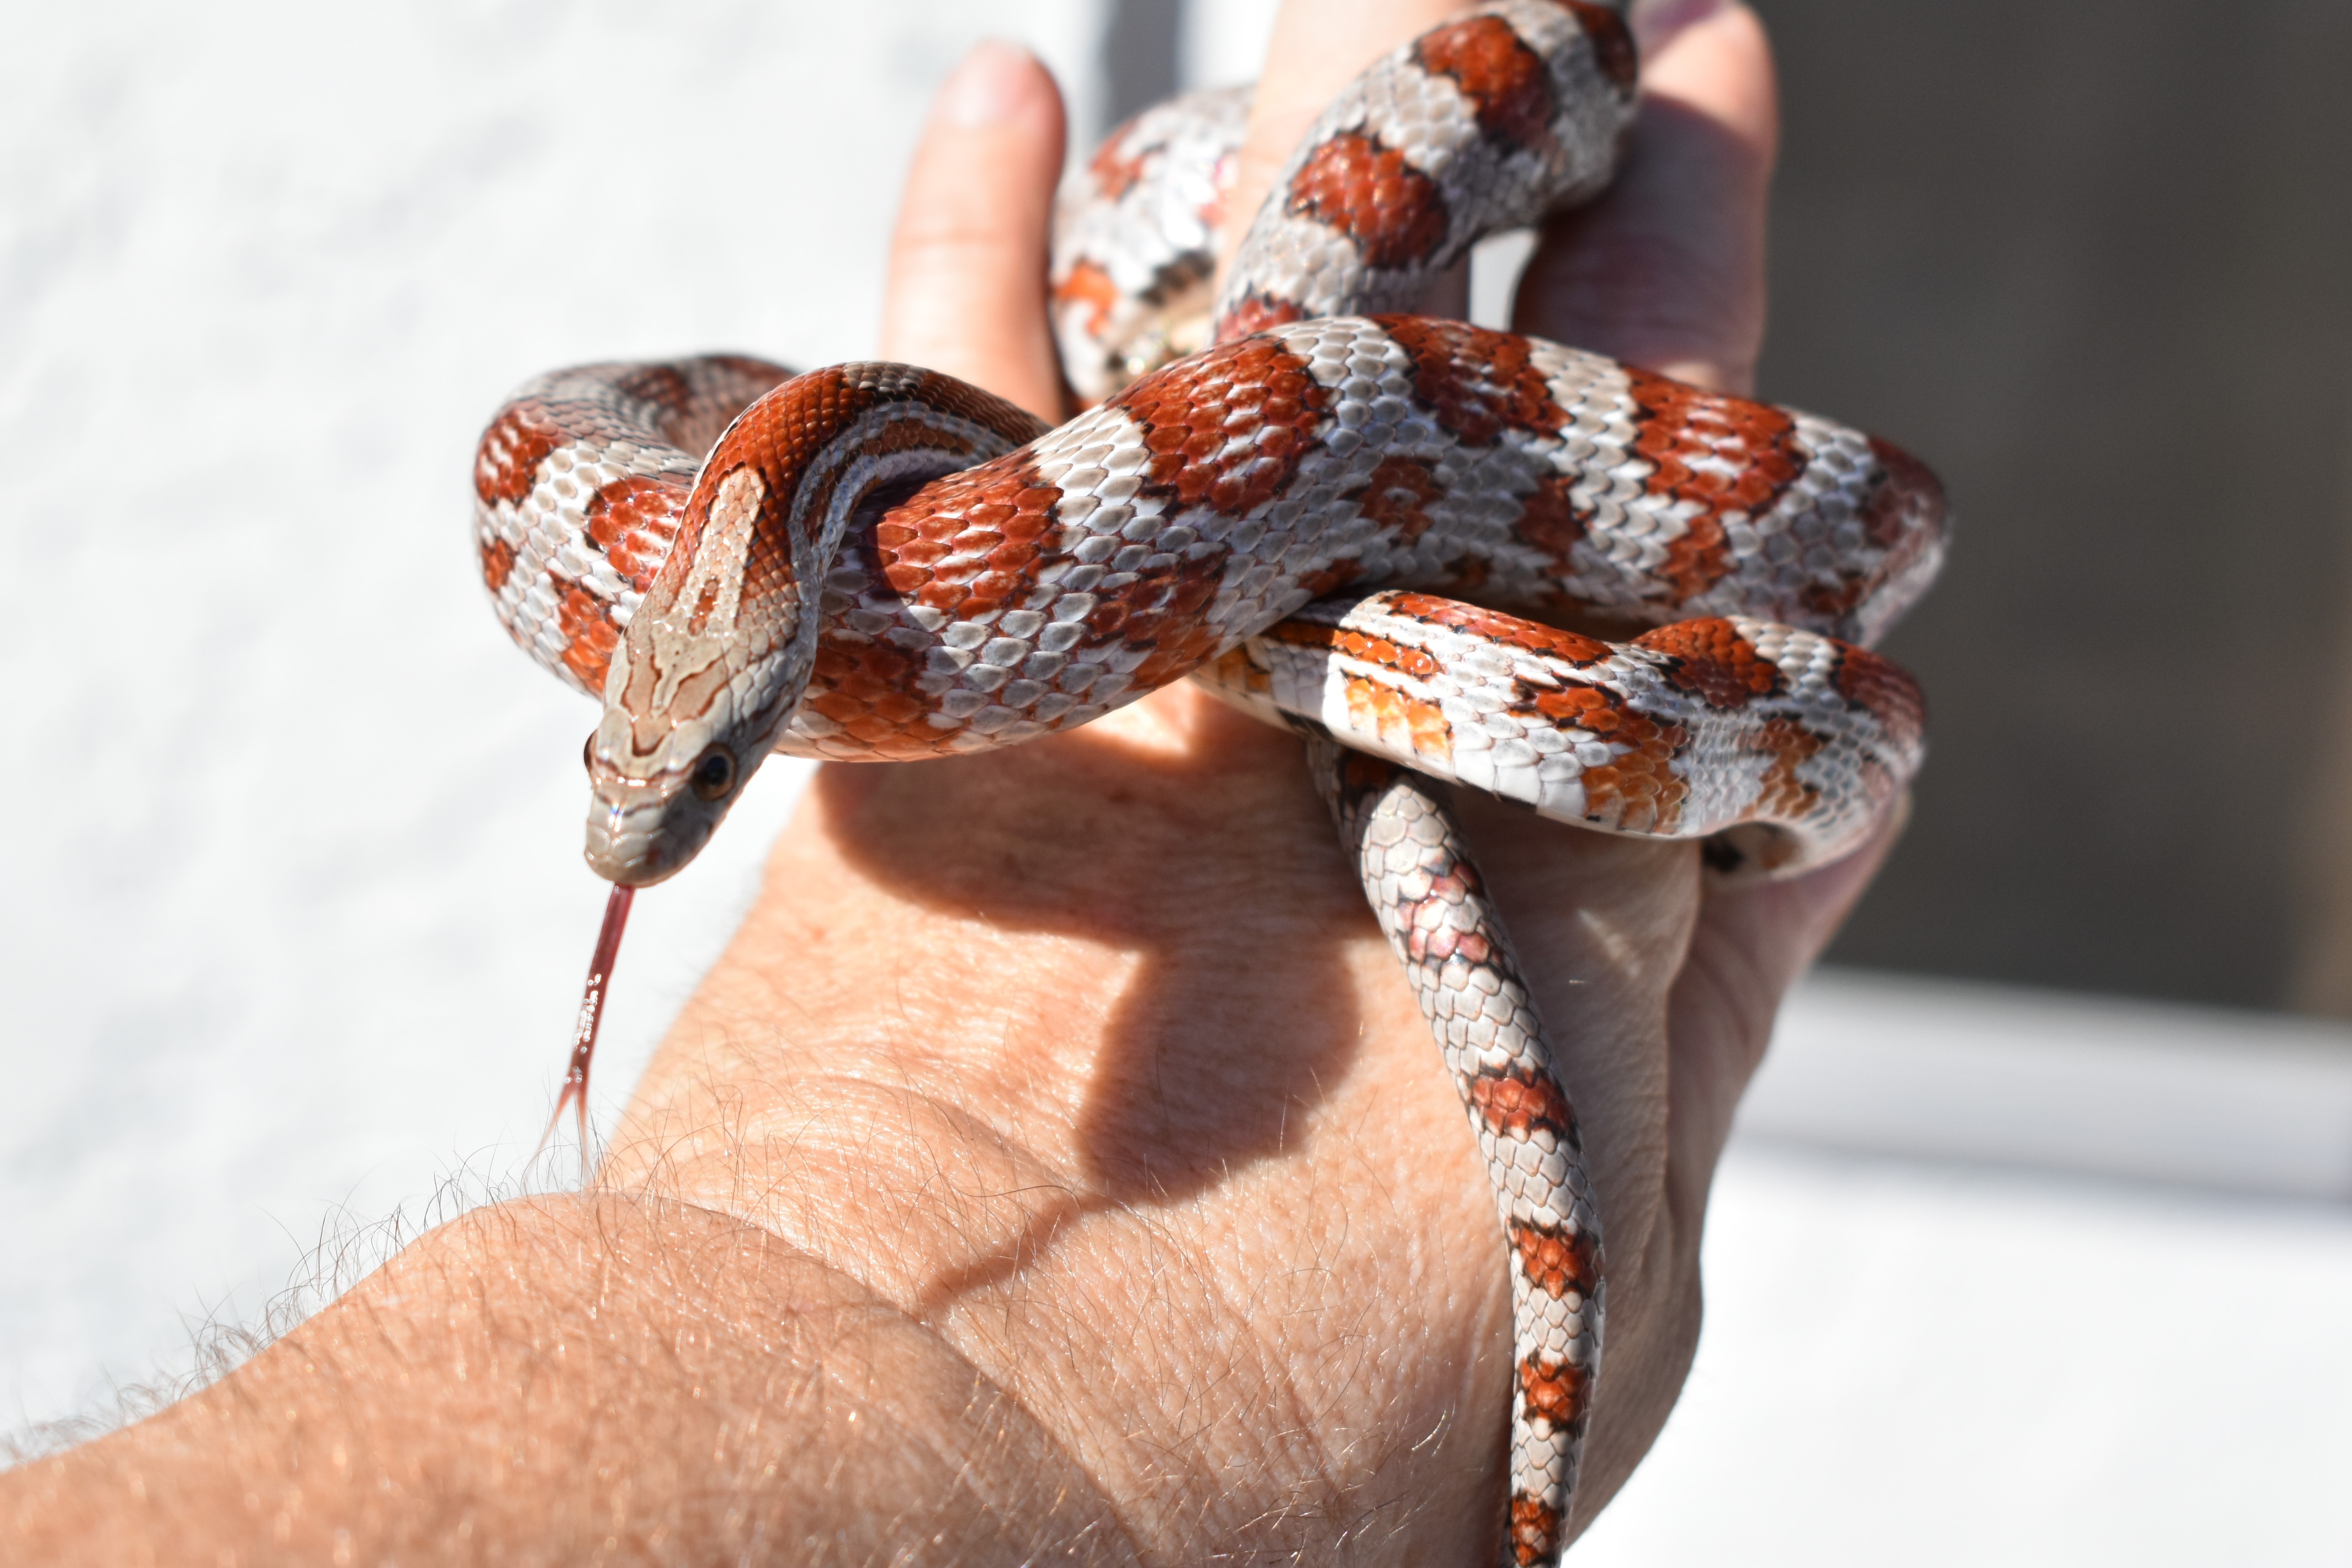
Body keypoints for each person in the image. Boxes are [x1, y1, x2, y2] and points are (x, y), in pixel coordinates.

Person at [1, 1, 1898, 1559]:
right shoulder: (683, 519)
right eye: (658, 758)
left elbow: (1864, 540)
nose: (655, 821)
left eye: (723, 753)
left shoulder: (895, 503)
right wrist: (953, 1320)